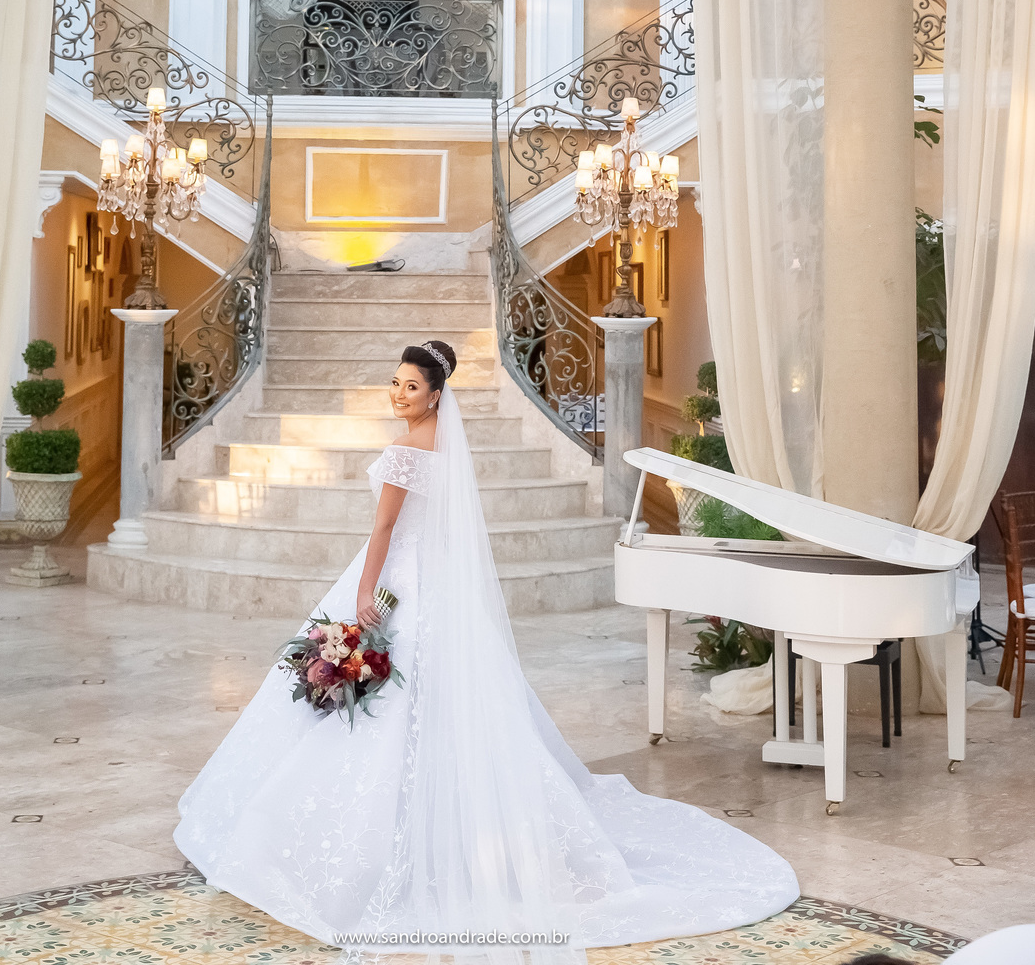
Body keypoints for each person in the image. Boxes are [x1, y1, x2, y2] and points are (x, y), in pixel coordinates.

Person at [175, 339, 799, 953]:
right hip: (439, 590)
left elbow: (386, 527)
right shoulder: (448, 447)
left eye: (411, 386)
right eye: (395, 383)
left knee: (390, 703)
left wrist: (364, 595)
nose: (398, 394)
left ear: (436, 395)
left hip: (397, 584)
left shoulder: (405, 451)